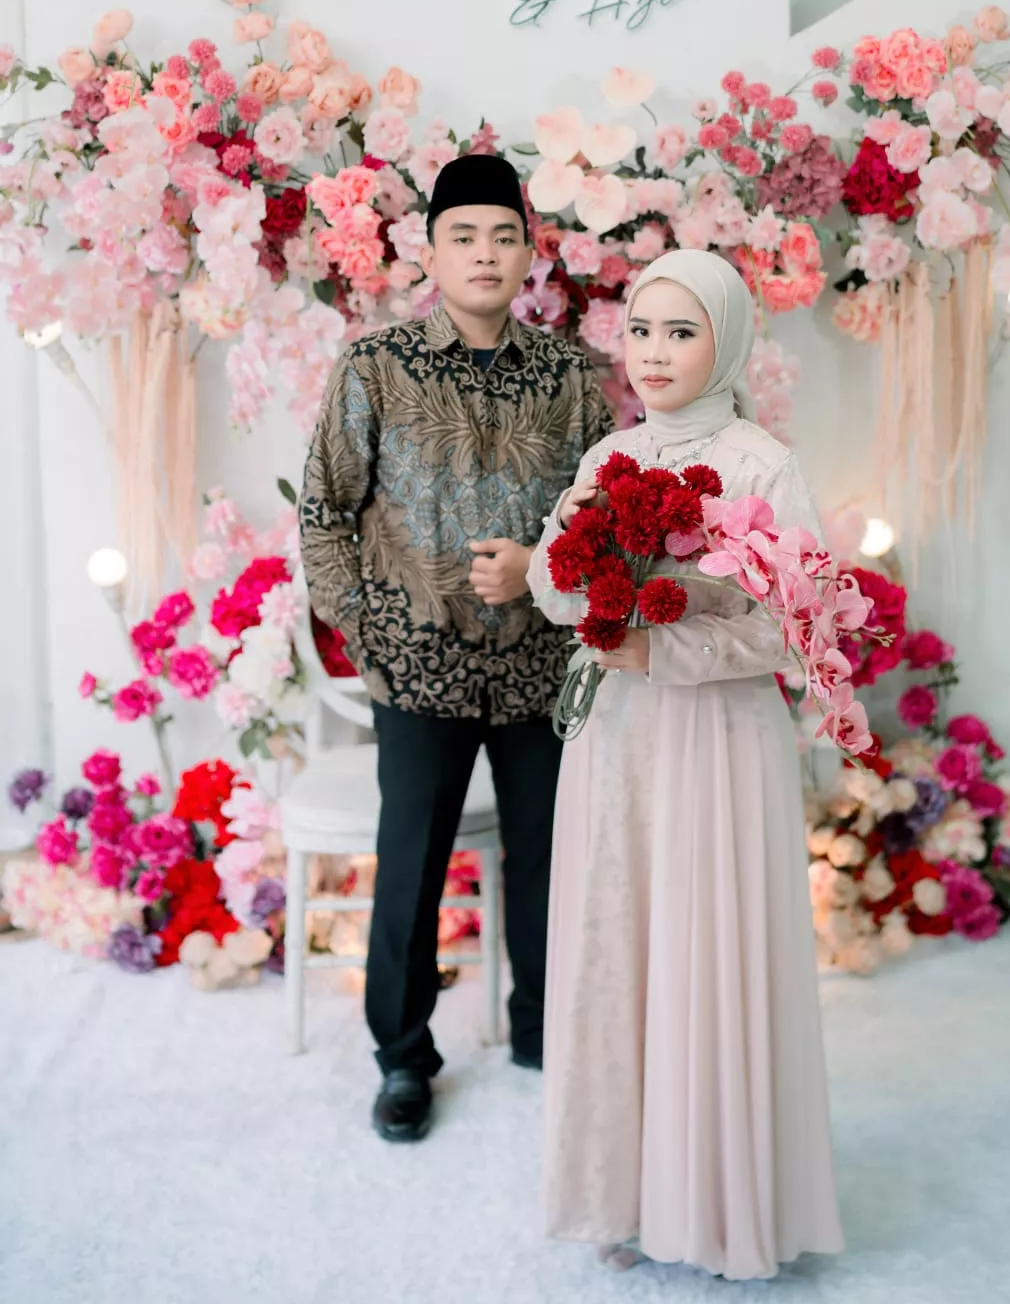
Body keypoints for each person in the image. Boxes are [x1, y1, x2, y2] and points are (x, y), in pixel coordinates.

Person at [527, 250, 844, 1280]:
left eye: (681, 331)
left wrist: (663, 646)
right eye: (641, 330)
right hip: (619, 740)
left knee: (706, 948)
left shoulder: (760, 465)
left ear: (728, 340)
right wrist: (586, 582)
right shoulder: (610, 453)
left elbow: (795, 628)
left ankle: (712, 1209)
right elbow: (550, 581)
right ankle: (618, 1192)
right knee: (617, 939)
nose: (654, 353)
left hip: (715, 742)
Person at [299, 153, 613, 1144]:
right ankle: (402, 1056)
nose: (484, 253)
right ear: (428, 252)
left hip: (539, 668)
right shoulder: (375, 369)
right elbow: (323, 512)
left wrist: (541, 570)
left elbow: (604, 523)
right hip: (418, 669)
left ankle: (544, 1034)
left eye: (503, 236)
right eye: (463, 236)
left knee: (550, 863)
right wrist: (372, 636)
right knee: (411, 866)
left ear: (529, 254)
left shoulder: (570, 377)